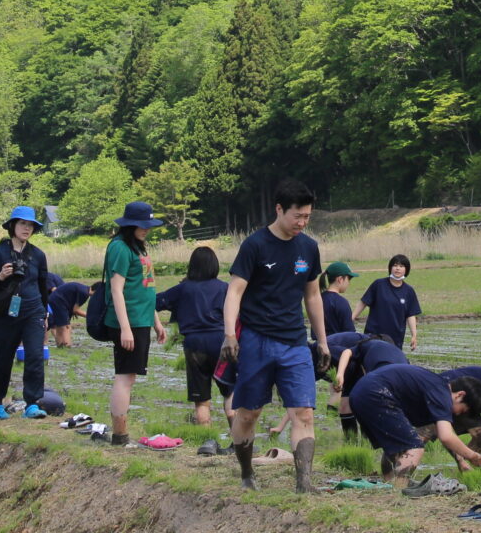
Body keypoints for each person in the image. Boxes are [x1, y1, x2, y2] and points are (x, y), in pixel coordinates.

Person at [222, 178, 331, 494]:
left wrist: (321, 340)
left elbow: (312, 296)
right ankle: (246, 474)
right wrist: (230, 334)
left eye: (308, 216)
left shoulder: (308, 248)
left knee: (303, 412)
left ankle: (304, 485)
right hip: (256, 340)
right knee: (249, 413)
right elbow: (235, 291)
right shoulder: (255, 245)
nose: (302, 222)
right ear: (279, 209)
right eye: (297, 216)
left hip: (295, 343)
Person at [348, 363, 481, 485]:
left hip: (360, 392)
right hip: (375, 393)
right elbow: (446, 436)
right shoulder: (442, 394)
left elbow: (445, 434)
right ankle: (397, 491)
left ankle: (389, 483)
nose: (458, 414)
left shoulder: (436, 386)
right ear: (460, 395)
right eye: (462, 409)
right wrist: (473, 456)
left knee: (398, 445)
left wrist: (460, 461)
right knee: (414, 447)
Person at [102, 200, 168, 445]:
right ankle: (120, 435)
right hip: (127, 322)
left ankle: (121, 433)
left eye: (148, 225)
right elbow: (116, 290)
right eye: (142, 225)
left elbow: (146, 287)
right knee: (125, 376)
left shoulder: (138, 247)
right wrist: (126, 328)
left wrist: (156, 322)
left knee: (130, 376)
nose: (146, 229)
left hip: (141, 319)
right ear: (129, 225)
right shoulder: (120, 248)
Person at [0, 205, 54, 420]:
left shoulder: (38, 255)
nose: (27, 228)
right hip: (5, 313)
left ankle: (32, 404)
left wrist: (45, 312)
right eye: (22, 223)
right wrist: (2, 276)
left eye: (31, 225)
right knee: (1, 359)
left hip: (33, 311)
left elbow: (43, 286)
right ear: (13, 226)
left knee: (34, 356)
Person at [155, 246, 231, 427]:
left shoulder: (182, 289)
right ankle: (237, 440)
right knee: (230, 392)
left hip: (194, 344)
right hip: (221, 341)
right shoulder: (224, 288)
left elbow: (152, 302)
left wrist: (158, 326)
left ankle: (205, 437)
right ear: (215, 266)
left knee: (201, 398)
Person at [355, 254, 421, 351]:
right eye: (395, 265)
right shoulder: (378, 284)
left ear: (406, 270)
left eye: (401, 266)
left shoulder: (409, 291)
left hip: (395, 338)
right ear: (390, 268)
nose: (397, 268)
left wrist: (414, 335)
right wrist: (351, 318)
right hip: (374, 335)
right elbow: (363, 302)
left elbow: (410, 315)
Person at [46, 279, 91, 349]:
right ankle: (67, 346)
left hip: (56, 299)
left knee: (59, 326)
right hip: (59, 302)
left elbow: (74, 307)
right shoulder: (85, 293)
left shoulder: (83, 289)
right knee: (66, 326)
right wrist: (90, 316)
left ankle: (60, 346)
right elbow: (76, 310)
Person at [320, 263, 357, 335]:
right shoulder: (342, 302)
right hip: (338, 344)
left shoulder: (318, 299)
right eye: (349, 279)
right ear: (340, 279)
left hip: (318, 344)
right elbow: (350, 334)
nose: (349, 283)